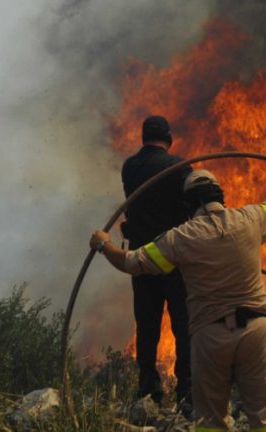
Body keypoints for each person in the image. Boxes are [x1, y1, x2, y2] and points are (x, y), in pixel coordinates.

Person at [91, 158, 266, 432]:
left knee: (211, 423)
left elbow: (131, 263)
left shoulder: (180, 239)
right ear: (220, 196)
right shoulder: (251, 218)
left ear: (187, 205)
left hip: (210, 336)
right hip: (256, 331)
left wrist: (103, 245)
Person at [120, 115, 192, 405]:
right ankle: (187, 389)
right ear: (169, 137)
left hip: (142, 258)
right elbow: (190, 207)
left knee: (147, 325)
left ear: (143, 137)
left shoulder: (129, 167)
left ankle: (149, 388)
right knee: (183, 324)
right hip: (174, 257)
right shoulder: (179, 166)